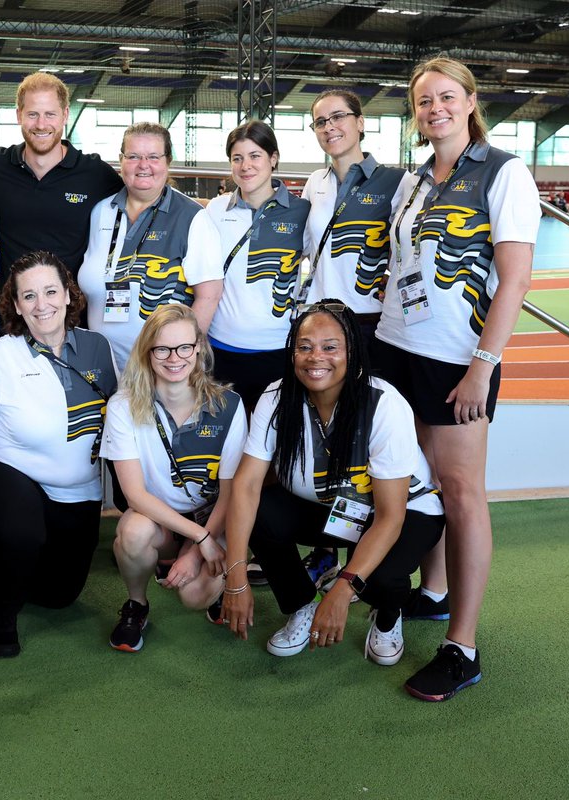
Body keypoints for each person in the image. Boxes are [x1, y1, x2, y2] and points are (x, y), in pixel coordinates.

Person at [372, 56, 540, 701]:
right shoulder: (414, 179)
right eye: (422, 102)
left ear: (470, 101)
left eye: (445, 97)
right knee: (422, 482)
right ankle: (435, 593)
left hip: (456, 359)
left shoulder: (504, 172)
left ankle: (462, 647)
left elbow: (516, 280)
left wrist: (482, 367)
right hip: (397, 347)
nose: (434, 109)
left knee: (463, 493)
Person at [222, 304, 444, 669]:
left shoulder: (383, 404)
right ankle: (301, 605)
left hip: (403, 513)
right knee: (260, 511)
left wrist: (342, 590)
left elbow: (390, 516)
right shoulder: (276, 397)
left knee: (383, 578)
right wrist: (235, 578)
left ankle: (388, 616)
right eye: (304, 346)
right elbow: (245, 486)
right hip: (332, 508)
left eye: (330, 347)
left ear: (352, 352)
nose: (315, 358)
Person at [0, 251, 118, 657]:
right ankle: (0, 618)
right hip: (9, 471)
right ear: (16, 305)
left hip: (78, 489)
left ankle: (3, 570)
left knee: (60, 595)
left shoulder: (98, 347)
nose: (41, 304)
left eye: (49, 292)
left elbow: (120, 416)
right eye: (29, 296)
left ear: (67, 295)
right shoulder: (1, 355)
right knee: (24, 533)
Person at [101, 305, 247, 652]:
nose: (174, 358)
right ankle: (137, 605)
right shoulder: (123, 407)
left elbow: (230, 495)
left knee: (195, 596)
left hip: (212, 517)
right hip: (160, 518)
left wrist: (199, 550)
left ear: (198, 349)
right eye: (162, 349)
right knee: (132, 533)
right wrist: (198, 539)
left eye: (184, 347)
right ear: (147, 352)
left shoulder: (230, 405)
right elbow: (134, 495)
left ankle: (210, 579)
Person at [77, 121, 223, 370]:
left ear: (168, 161)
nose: (143, 165)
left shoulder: (192, 217)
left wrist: (180, 359)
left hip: (161, 368)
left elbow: (209, 296)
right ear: (121, 161)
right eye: (133, 156)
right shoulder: (102, 211)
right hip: (104, 364)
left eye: (153, 157)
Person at [202, 120, 311, 411]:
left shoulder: (302, 212)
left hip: (278, 349)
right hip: (221, 349)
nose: (245, 166)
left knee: (271, 440)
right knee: (225, 440)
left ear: (273, 159)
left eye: (255, 156)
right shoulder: (216, 210)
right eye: (237, 158)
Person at [0, 72, 122, 281]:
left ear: (65, 115)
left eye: (50, 114)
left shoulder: (95, 173)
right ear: (19, 115)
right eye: (33, 114)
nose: (41, 124)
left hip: (71, 309)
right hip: (11, 308)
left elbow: (138, 203)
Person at [299, 90, 410, 341]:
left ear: (360, 123)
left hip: (370, 319)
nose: (329, 127)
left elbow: (409, 250)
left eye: (338, 116)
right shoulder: (315, 181)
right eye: (320, 122)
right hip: (319, 315)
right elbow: (303, 245)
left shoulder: (398, 181)